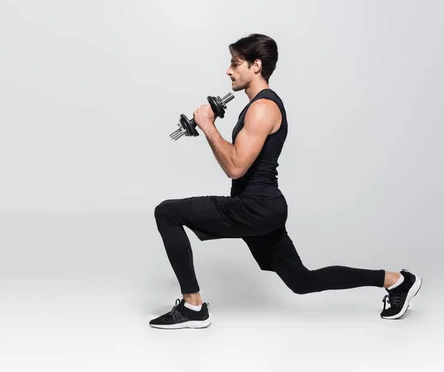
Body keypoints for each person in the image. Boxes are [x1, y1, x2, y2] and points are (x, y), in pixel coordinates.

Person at [149, 33, 422, 329]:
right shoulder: (256, 107)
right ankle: (397, 281)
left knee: (167, 212)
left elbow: (236, 167)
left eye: (235, 63)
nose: (228, 70)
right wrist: (209, 128)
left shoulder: (263, 108)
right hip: (264, 208)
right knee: (303, 281)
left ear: (256, 65)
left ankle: (193, 306)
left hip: (254, 207)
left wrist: (208, 128)